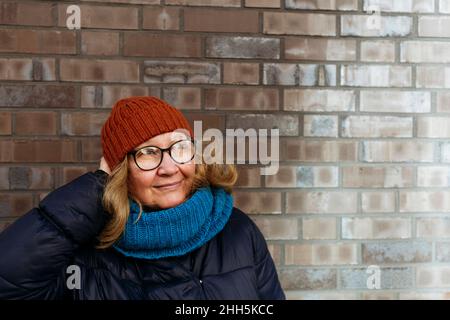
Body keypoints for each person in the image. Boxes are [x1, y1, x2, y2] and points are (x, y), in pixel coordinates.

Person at [0, 96, 285, 300]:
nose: (170, 167)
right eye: (147, 153)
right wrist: (97, 188)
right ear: (120, 172)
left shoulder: (238, 231)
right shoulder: (88, 255)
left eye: (179, 147)